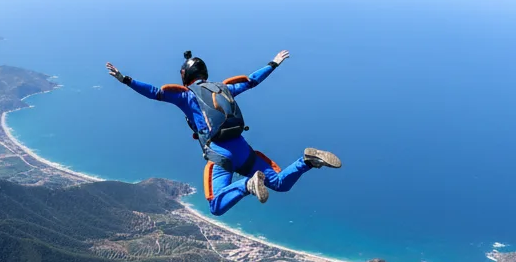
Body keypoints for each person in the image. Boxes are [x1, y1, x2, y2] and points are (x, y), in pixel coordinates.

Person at [105, 49, 341, 216]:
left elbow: (155, 92)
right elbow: (251, 81)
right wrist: (274, 63)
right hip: (243, 148)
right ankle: (307, 161)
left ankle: (248, 186)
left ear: (185, 77)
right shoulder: (224, 89)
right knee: (279, 183)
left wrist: (124, 79)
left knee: (216, 206)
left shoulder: (186, 95)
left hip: (221, 155)